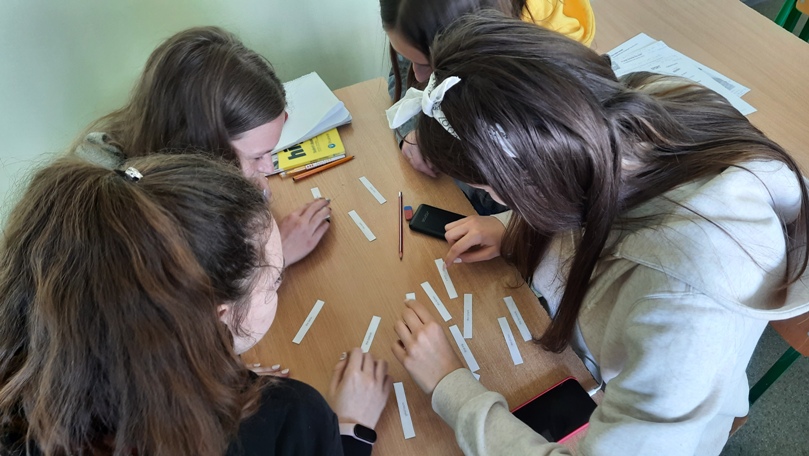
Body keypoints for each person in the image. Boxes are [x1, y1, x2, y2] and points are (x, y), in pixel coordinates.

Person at [387, 12, 809, 455]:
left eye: (492, 191)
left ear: (531, 182)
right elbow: (591, 189)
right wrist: (511, 227)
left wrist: (451, 388)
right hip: (615, 364)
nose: (500, 200)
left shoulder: (683, 304)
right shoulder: (632, 106)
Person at [0, 154, 391, 456]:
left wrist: (200, 372)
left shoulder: (20, 414)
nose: (279, 282)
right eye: (274, 282)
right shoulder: (290, 417)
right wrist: (350, 429)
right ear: (216, 317)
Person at [71, 26, 330, 269]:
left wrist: (242, 184)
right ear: (204, 152)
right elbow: (193, 294)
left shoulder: (158, 149)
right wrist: (274, 257)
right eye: (257, 156)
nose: (269, 168)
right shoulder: (124, 215)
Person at [380, 0, 594, 214]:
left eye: (427, 64)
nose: (417, 76)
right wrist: (413, 128)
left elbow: (553, 199)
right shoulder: (417, 27)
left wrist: (502, 222)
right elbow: (403, 78)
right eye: (409, 59)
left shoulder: (545, 91)